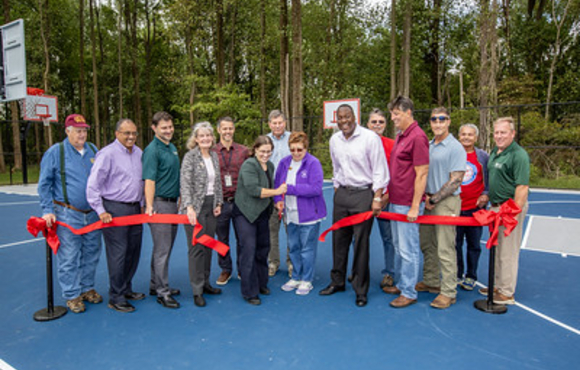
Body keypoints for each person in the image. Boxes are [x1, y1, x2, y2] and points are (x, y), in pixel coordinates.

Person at [319, 104, 389, 307]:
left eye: (347, 117)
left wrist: (377, 197)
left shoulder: (370, 138)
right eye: (340, 118)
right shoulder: (334, 140)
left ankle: (360, 289)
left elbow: (379, 170)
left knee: (361, 244)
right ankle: (337, 281)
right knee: (338, 241)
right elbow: (336, 166)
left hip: (363, 194)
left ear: (354, 116)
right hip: (342, 195)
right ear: (336, 120)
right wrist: (337, 188)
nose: (344, 121)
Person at [37, 114, 102, 314]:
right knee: (69, 256)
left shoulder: (93, 150)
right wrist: (47, 210)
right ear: (68, 131)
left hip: (92, 214)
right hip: (67, 214)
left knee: (92, 253)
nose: (82, 134)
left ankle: (87, 288)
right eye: (78, 130)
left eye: (84, 130)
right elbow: (44, 184)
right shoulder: (56, 152)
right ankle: (72, 294)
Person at [87, 118, 144, 313]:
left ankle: (126, 288)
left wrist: (143, 205)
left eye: (134, 133)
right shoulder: (107, 154)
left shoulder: (139, 153)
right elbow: (93, 184)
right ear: (117, 133)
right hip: (115, 209)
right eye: (127, 133)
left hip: (136, 209)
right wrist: (101, 210)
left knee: (133, 251)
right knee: (118, 254)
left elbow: (142, 182)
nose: (131, 137)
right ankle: (116, 296)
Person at [417, 107, 466, 309]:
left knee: (446, 248)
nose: (438, 123)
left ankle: (448, 291)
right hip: (428, 202)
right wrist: (426, 199)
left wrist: (434, 199)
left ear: (448, 121)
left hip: (445, 202)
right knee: (427, 244)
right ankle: (431, 281)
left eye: (442, 119)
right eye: (434, 119)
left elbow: (456, 181)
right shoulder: (428, 145)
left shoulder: (455, 147)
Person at [382, 96, 429, 309]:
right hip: (396, 201)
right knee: (400, 247)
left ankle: (409, 292)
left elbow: (422, 173)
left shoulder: (418, 137)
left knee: (409, 249)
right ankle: (402, 283)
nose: (392, 118)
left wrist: (414, 205)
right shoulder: (402, 136)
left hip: (407, 204)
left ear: (408, 112)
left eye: (396, 114)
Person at [479, 117, 529, 305]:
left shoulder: (519, 155)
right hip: (496, 207)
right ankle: (497, 285)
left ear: (512, 133)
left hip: (509, 208)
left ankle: (507, 292)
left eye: (503, 132)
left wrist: (513, 213)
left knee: (508, 250)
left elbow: (522, 187)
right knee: (497, 248)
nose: (499, 136)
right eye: (497, 132)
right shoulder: (496, 151)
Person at [233, 136, 287, 305]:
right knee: (248, 249)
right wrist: (277, 191)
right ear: (255, 150)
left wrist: (277, 200)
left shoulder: (270, 166)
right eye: (262, 151)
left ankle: (261, 283)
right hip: (245, 213)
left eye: (269, 151)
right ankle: (249, 291)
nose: (265, 154)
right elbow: (253, 189)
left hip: (263, 212)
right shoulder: (249, 165)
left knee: (263, 248)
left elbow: (270, 189)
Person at [274, 132, 327, 295]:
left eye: (300, 150)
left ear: (306, 148)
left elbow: (315, 188)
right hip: (290, 214)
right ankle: (296, 276)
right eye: (293, 150)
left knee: (307, 248)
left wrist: (290, 189)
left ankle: (307, 279)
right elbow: (278, 185)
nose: (296, 153)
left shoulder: (313, 163)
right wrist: (278, 199)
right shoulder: (284, 163)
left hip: (309, 215)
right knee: (294, 248)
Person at [180, 122, 224, 308]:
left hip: (211, 205)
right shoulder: (190, 157)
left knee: (208, 246)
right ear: (196, 139)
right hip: (194, 209)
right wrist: (189, 206)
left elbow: (218, 183)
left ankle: (206, 283)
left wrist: (218, 202)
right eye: (202, 136)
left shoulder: (214, 156)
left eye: (208, 136)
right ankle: (197, 290)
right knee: (196, 249)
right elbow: (185, 183)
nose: (206, 139)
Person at [142, 111, 181, 309]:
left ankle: (154, 284)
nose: (168, 131)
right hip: (159, 205)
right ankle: (162, 292)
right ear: (154, 128)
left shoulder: (172, 147)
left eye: (170, 127)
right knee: (162, 250)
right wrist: (149, 206)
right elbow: (149, 180)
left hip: (173, 204)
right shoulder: (152, 150)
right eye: (164, 128)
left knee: (164, 248)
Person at [212, 117, 249, 285]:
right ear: (218, 130)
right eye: (224, 128)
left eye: (230, 128)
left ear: (234, 130)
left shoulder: (243, 151)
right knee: (222, 238)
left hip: (240, 202)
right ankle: (225, 269)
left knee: (243, 237)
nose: (228, 131)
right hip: (221, 202)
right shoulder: (211, 152)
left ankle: (243, 268)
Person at [455, 123, 489, 291]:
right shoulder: (453, 155)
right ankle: (457, 274)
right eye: (463, 134)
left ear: (475, 137)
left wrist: (486, 194)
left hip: (475, 210)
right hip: (455, 209)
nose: (466, 137)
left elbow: (489, 180)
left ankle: (471, 276)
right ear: (458, 136)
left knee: (473, 244)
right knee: (455, 244)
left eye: (470, 134)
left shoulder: (483, 157)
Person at [366, 108, 396, 290]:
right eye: (374, 122)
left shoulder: (393, 145)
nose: (377, 125)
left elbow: (397, 174)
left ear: (386, 125)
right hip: (364, 198)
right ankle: (360, 271)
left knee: (389, 238)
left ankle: (389, 273)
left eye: (381, 122)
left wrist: (387, 196)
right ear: (367, 124)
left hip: (385, 199)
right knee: (360, 237)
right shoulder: (360, 144)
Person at [266, 110, 292, 277]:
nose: (277, 126)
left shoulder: (292, 139)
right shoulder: (265, 140)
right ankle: (272, 262)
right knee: (271, 230)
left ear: (285, 122)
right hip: (271, 191)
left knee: (291, 230)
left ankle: (292, 263)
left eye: (280, 122)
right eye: (274, 123)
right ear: (270, 124)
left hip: (290, 192)